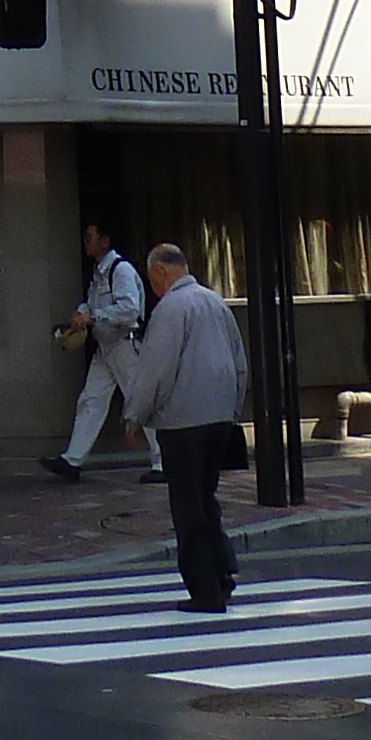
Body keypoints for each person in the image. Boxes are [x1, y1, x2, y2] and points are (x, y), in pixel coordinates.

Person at [120, 240, 250, 612]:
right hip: (220, 419)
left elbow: (155, 371)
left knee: (188, 507)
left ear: (161, 272)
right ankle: (222, 571)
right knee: (205, 499)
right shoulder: (215, 303)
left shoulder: (171, 310)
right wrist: (233, 408)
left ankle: (205, 588)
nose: (152, 287)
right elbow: (239, 363)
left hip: (183, 424)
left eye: (152, 279)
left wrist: (135, 415)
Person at [42, 218, 160, 483]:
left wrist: (92, 316)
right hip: (107, 347)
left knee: (141, 401)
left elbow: (129, 309)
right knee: (91, 400)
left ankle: (163, 462)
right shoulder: (100, 272)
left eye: (90, 237)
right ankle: (73, 460)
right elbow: (92, 303)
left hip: (125, 345)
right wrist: (82, 314)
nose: (86, 241)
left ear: (105, 241)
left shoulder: (121, 270)